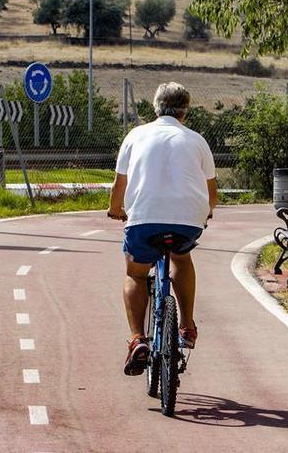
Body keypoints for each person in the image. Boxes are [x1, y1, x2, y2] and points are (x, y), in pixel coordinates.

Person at [108, 82, 217, 376]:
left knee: (135, 272)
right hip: (187, 221)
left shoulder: (135, 135)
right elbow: (212, 193)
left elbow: (120, 185)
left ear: (155, 107)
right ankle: (186, 326)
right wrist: (204, 214)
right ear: (186, 111)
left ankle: (137, 339)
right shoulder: (197, 140)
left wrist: (116, 210)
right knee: (181, 258)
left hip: (144, 219)